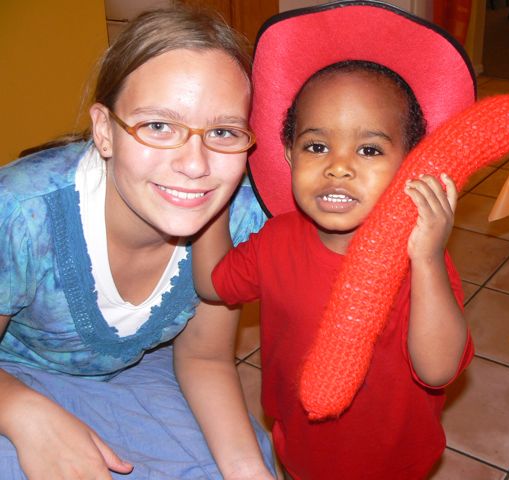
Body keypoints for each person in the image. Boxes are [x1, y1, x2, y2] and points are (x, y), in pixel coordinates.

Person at [193, 2, 476, 478]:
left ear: (410, 162)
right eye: (317, 146)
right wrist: (212, 195)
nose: (338, 166)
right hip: (301, 451)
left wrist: (428, 259)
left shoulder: (418, 256)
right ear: (289, 154)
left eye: (369, 149)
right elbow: (212, 283)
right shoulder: (276, 240)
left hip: (396, 461)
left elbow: (438, 370)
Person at [0, 7, 276, 480]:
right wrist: (24, 413)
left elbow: (205, 358)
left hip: (140, 369)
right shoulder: (21, 213)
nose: (195, 165)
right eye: (159, 126)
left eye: (223, 132)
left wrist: (249, 472)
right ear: (105, 131)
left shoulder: (239, 214)